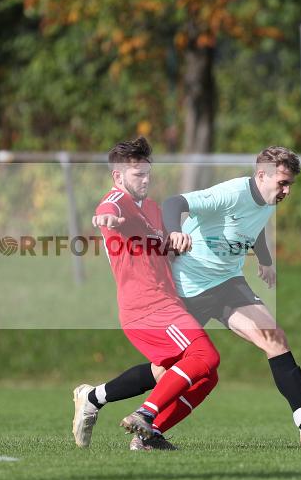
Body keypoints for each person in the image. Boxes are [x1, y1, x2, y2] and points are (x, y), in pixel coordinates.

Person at [73, 146, 301, 449]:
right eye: (282, 183)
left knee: (274, 338)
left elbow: (251, 226)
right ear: (261, 175)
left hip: (228, 283)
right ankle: (98, 398)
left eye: (289, 185)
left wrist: (265, 259)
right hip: (189, 286)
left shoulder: (268, 199)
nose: (286, 191)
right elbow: (175, 202)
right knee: (168, 370)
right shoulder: (231, 192)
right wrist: (176, 232)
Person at [73, 137, 221, 451]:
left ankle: (142, 434)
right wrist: (105, 218)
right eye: (137, 174)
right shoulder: (118, 200)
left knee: (204, 376)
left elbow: (158, 250)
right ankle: (145, 413)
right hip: (147, 307)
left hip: (165, 302)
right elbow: (108, 208)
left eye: (147, 173)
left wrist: (174, 244)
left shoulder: (152, 208)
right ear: (118, 177)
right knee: (205, 356)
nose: (145, 179)